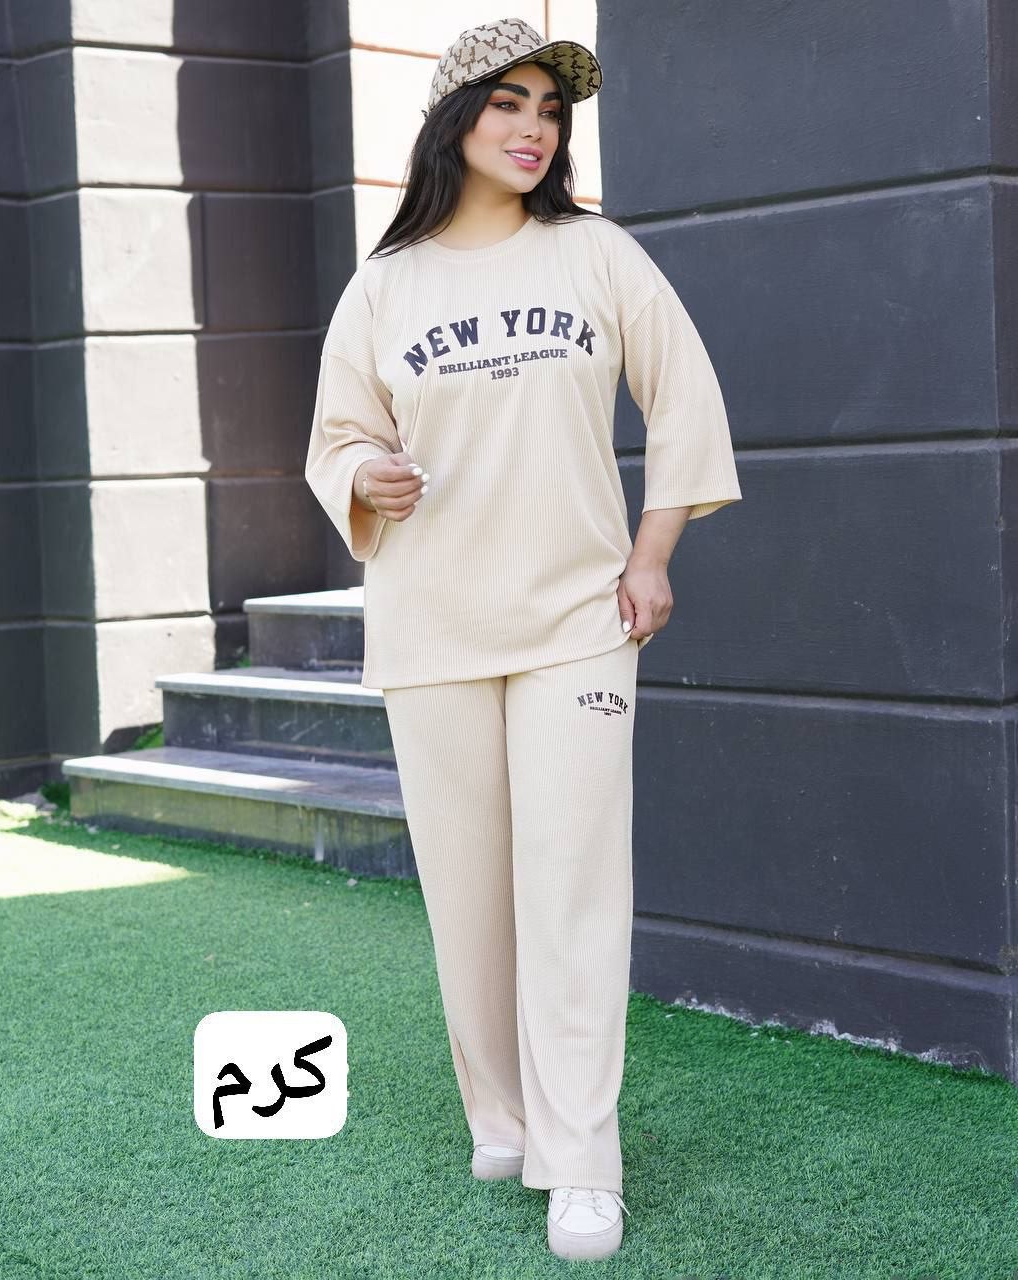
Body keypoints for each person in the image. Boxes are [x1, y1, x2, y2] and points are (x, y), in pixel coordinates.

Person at [304, 16, 742, 1263]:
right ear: (456, 121)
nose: (535, 127)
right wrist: (366, 476)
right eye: (509, 103)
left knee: (575, 891)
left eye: (550, 108)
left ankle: (581, 1158)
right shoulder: (384, 285)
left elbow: (686, 398)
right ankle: (501, 1116)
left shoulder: (597, 254)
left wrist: (650, 554)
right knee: (471, 897)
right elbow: (337, 435)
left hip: (575, 621)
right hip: (432, 621)